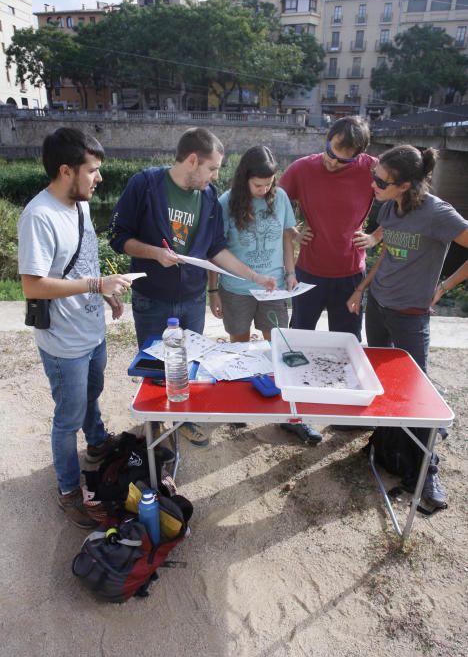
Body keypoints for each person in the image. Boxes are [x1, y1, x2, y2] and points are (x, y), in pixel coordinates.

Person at [108, 127, 276, 447]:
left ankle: (184, 418)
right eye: (212, 168)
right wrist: (154, 253)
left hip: (192, 299)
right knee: (154, 365)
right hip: (152, 297)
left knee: (191, 363)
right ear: (192, 160)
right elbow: (118, 237)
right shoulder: (145, 184)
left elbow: (216, 248)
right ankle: (154, 424)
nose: (215, 176)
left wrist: (253, 276)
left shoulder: (209, 196)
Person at [17, 127, 132, 528]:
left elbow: (85, 261)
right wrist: (95, 285)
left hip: (91, 328)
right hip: (63, 341)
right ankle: (68, 490)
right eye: (93, 170)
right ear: (66, 170)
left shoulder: (80, 206)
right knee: (67, 417)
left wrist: (104, 293)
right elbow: (32, 284)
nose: (99, 178)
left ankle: (98, 442)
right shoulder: (39, 216)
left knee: (92, 392)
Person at [346, 144, 468, 508]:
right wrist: (361, 288)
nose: (374, 185)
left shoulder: (437, 213)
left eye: (381, 182)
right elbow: (387, 249)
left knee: (419, 394)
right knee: (381, 378)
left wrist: (445, 286)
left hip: (412, 314)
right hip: (379, 306)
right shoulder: (390, 206)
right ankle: (386, 444)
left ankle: (427, 472)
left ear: (406, 185)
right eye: (374, 177)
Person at [207, 145, 322, 444]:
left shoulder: (280, 197)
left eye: (268, 184)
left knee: (280, 348)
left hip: (273, 290)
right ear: (244, 178)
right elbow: (216, 251)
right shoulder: (225, 202)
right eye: (258, 185)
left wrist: (291, 272)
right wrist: (213, 290)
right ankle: (241, 404)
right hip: (236, 289)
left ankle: (292, 415)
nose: (263, 189)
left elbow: (287, 238)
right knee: (240, 348)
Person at [279, 115, 381, 341]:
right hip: (309, 271)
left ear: (359, 155)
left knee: (346, 342)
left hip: (351, 275)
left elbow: (405, 198)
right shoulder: (302, 168)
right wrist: (294, 232)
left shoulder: (371, 168)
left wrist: (376, 236)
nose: (333, 162)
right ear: (327, 138)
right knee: (298, 339)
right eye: (331, 152)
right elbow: (273, 202)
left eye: (343, 160)